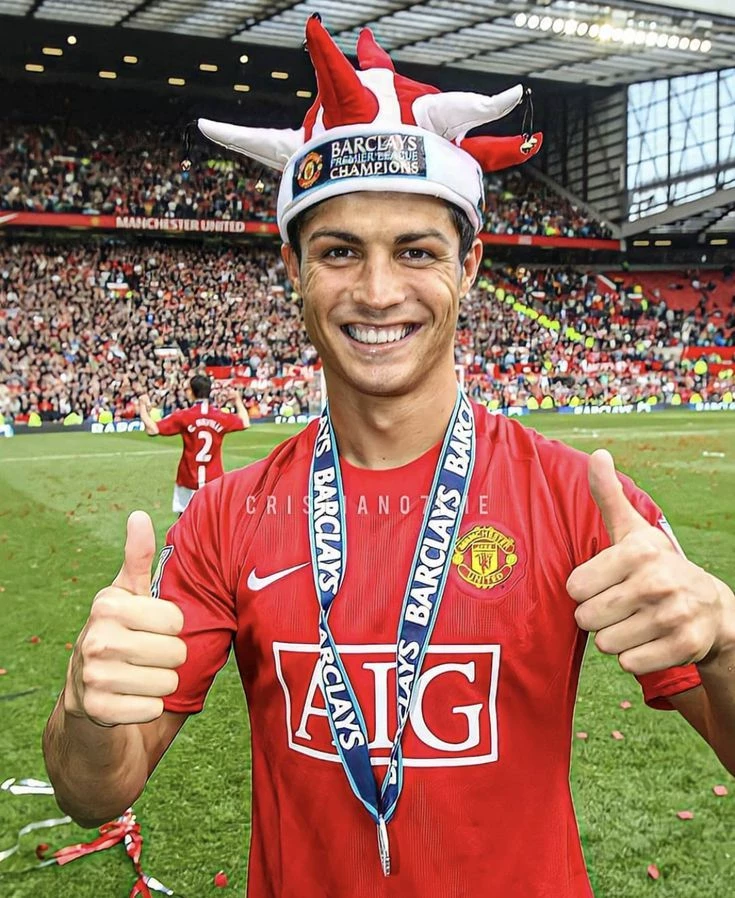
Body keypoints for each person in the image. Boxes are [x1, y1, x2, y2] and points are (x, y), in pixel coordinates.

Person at [43, 17, 734, 898]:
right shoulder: (225, 516)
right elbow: (95, 794)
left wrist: (723, 641)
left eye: (416, 251)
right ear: (293, 267)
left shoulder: (575, 498)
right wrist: (85, 707)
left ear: (469, 265)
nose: (377, 291)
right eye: (339, 252)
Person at [138, 374, 250, 514]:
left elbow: (152, 430)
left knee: (184, 521)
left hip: (188, 479)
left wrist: (142, 406)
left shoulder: (184, 416)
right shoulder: (220, 416)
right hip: (214, 479)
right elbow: (245, 422)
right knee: (213, 521)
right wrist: (237, 400)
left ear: (191, 392)